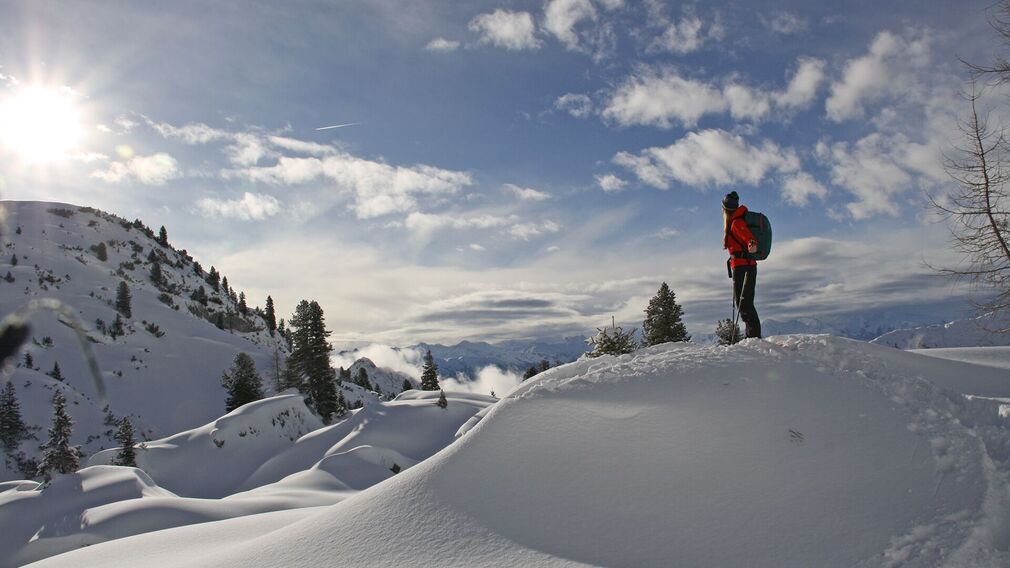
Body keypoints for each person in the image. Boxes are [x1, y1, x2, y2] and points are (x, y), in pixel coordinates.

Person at [722, 191, 761, 339]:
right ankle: (752, 337)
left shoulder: (737, 223)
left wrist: (751, 243)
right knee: (744, 303)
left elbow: (749, 239)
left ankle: (753, 338)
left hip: (744, 267)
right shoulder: (736, 222)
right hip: (743, 266)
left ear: (725, 210)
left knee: (744, 304)